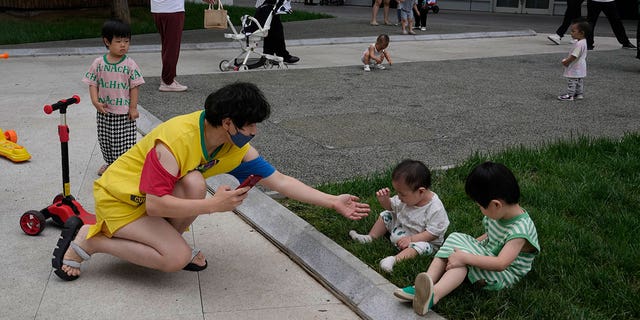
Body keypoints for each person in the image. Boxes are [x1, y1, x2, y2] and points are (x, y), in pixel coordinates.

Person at [51, 82, 370, 281]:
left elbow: (281, 181)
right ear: (228, 122)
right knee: (176, 258)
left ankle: (160, 242)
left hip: (151, 201)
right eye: (249, 125)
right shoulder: (175, 141)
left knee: (192, 181)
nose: (254, 132)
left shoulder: (235, 145)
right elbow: (155, 203)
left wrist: (333, 201)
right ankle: (91, 240)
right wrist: (213, 206)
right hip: (121, 201)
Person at [393, 161, 540, 316]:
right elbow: (492, 235)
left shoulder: (520, 231)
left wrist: (465, 256)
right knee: (457, 239)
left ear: (496, 204)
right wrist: (468, 246)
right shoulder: (501, 212)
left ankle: (434, 295)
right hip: (490, 257)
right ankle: (424, 285)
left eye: (480, 206)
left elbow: (501, 263)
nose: (480, 210)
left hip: (504, 276)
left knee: (462, 261)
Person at [349, 160, 449, 273]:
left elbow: (433, 233)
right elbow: (391, 207)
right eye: (397, 192)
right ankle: (370, 237)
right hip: (402, 228)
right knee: (386, 215)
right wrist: (385, 200)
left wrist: (411, 239)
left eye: (402, 194)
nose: (399, 197)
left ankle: (394, 260)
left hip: (422, 239)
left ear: (421, 191)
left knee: (421, 247)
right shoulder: (406, 198)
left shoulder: (435, 208)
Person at [82, 20, 145, 176]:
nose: (123, 45)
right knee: (105, 141)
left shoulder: (130, 65)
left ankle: (123, 166)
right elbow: (92, 83)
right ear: (107, 41)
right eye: (118, 41)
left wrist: (133, 108)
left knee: (124, 143)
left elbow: (134, 87)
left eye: (126, 41)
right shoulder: (99, 63)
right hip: (104, 112)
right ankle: (110, 163)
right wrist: (95, 101)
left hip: (124, 114)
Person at [151, 0, 214, 92]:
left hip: (157, 9)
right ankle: (167, 81)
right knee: (172, 47)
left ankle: (168, 77)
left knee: (167, 45)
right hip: (173, 9)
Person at [558, 20, 589, 101]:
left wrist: (566, 62)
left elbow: (574, 56)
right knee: (579, 80)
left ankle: (570, 95)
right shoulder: (583, 42)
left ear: (581, 33)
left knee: (572, 81)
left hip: (575, 66)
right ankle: (579, 94)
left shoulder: (579, 44)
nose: (571, 33)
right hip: (581, 65)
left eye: (573, 31)